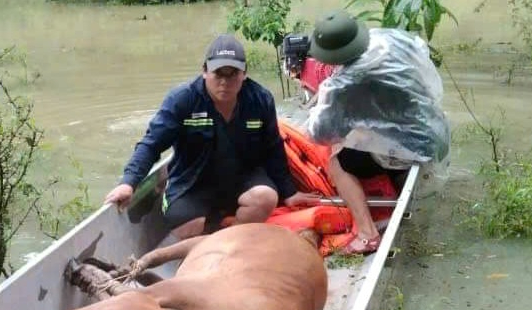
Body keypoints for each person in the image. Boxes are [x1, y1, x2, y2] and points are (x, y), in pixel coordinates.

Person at [105, 34, 315, 239]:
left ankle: (231, 236)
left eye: (232, 73)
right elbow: (151, 145)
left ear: (244, 74)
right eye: (218, 73)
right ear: (204, 71)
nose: (225, 82)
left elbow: (273, 148)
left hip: (243, 177)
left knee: (266, 197)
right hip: (194, 180)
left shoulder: (260, 99)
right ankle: (216, 234)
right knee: (184, 226)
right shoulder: (182, 99)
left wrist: (288, 192)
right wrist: (129, 182)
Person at [302, 10, 450, 254]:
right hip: (432, 129)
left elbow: (321, 134)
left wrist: (324, 101)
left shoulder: (343, 83)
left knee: (337, 161)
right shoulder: (393, 39)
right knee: (366, 135)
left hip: (409, 147)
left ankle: (367, 234)